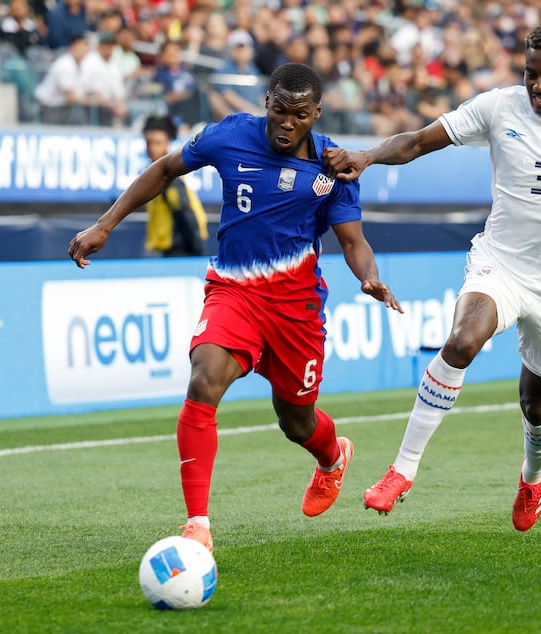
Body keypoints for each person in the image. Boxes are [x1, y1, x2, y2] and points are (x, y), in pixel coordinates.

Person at [323, 22, 541, 532]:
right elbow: (420, 142)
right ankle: (401, 470)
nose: (538, 86)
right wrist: (367, 156)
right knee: (463, 340)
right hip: (501, 264)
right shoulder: (498, 107)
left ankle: (533, 477)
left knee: (537, 405)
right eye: (531, 73)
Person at [69, 63, 402, 552]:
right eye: (280, 111)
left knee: (296, 421)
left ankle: (332, 458)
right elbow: (164, 169)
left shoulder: (335, 169)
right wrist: (105, 225)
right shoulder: (229, 135)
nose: (287, 124)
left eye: (300, 115)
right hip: (234, 291)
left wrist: (369, 277)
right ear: (266, 102)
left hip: (295, 311)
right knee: (203, 379)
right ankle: (197, 524)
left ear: (316, 113)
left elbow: (353, 242)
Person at [141, 113, 208, 256]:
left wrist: (195, 247)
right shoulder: (157, 173)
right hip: (169, 245)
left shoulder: (169, 177)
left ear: (168, 143)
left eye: (158, 143)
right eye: (149, 143)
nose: (152, 148)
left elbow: (184, 212)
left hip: (180, 246)